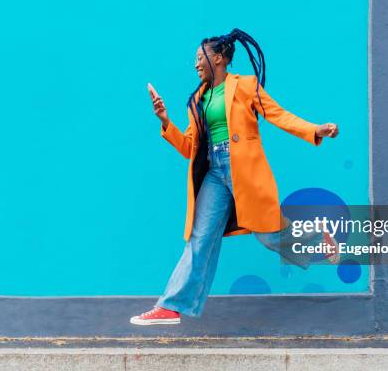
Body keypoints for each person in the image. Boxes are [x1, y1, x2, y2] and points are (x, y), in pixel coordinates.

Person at [130, 29, 339, 325]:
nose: (195, 64)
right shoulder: (197, 100)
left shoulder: (245, 86)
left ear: (217, 58)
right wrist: (165, 121)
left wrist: (314, 129)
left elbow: (279, 115)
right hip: (214, 171)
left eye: (199, 57)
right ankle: (171, 305)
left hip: (243, 169)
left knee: (268, 237)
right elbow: (191, 147)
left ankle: (318, 237)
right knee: (200, 238)